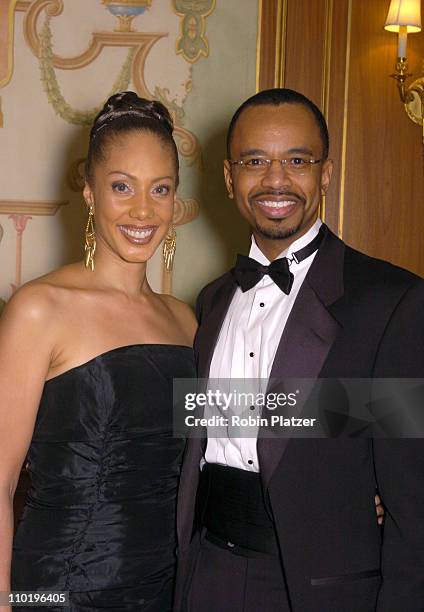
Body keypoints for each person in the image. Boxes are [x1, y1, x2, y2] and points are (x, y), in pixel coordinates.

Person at [175, 89, 424, 612]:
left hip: (321, 591)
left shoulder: (393, 301)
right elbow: (213, 428)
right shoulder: (211, 300)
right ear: (228, 177)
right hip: (206, 576)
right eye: (254, 161)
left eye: (297, 160)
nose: (275, 180)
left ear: (325, 173)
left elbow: (414, 505)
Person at [0, 92, 197, 610]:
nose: (142, 210)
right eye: (121, 187)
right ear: (89, 192)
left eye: (160, 189)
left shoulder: (187, 322)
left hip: (167, 585)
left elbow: (248, 428)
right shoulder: (39, 309)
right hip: (58, 588)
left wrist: (370, 455)